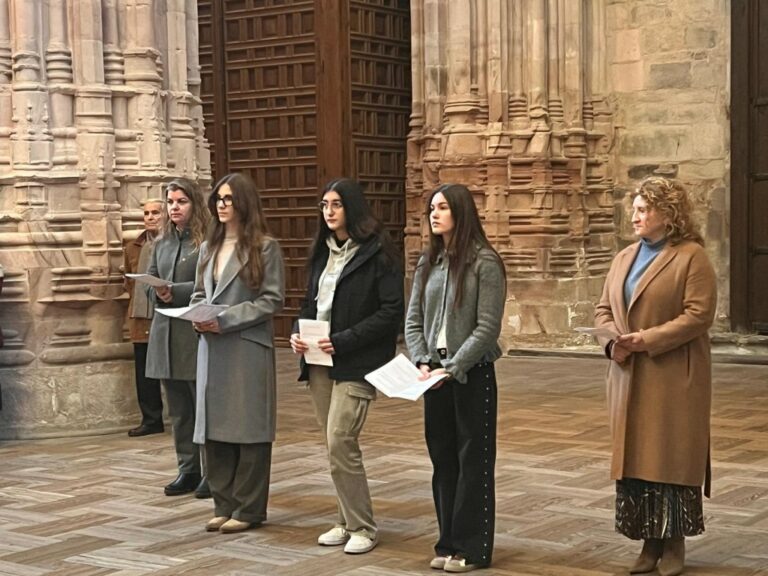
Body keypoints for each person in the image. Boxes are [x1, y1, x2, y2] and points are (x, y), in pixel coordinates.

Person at [594, 176, 717, 576]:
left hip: (671, 374)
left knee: (669, 457)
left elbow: (698, 315)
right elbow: (602, 310)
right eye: (634, 208)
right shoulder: (623, 257)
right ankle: (648, 543)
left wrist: (645, 339)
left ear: (669, 214)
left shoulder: (690, 256)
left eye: (644, 209)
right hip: (628, 373)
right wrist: (613, 343)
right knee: (637, 461)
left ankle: (674, 543)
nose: (635, 215)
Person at [290, 178, 403, 554]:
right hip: (319, 359)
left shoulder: (378, 252)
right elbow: (311, 303)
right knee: (331, 444)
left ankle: (363, 527)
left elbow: (390, 313)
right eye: (324, 205)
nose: (329, 211)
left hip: (357, 361)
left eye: (336, 204)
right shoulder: (321, 252)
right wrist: (297, 332)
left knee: (341, 439)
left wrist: (344, 340)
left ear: (352, 207)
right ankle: (344, 519)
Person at [405, 183, 506, 573]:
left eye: (443, 207)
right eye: (431, 207)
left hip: (471, 374)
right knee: (443, 459)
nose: (434, 214)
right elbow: (414, 320)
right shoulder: (428, 261)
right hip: (433, 375)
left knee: (473, 461)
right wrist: (422, 360)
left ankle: (472, 548)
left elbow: (487, 327)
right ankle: (446, 541)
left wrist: (456, 366)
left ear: (460, 213)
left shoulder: (485, 262)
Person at [190, 173, 285, 533]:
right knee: (214, 429)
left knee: (248, 430)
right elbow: (200, 294)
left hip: (246, 346)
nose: (221, 205)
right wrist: (198, 316)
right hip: (211, 348)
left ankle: (248, 509)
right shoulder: (207, 248)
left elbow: (272, 300)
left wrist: (225, 320)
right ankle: (223, 503)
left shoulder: (265, 246)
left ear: (244, 202)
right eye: (218, 199)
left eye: (228, 199)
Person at [145, 178, 210, 498]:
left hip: (192, 331)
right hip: (164, 334)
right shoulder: (161, 242)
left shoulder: (207, 241)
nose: (174, 208)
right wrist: (156, 288)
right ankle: (188, 468)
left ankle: (212, 471)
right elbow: (149, 283)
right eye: (170, 202)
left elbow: (209, 285)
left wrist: (176, 291)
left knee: (202, 408)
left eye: (181, 201)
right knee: (179, 412)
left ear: (195, 204)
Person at [124, 198, 165, 437]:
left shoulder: (173, 244)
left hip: (165, 312)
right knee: (144, 371)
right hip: (141, 315)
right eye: (146, 213)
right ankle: (151, 419)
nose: (150, 217)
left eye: (156, 213)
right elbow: (129, 282)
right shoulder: (132, 247)